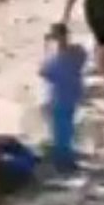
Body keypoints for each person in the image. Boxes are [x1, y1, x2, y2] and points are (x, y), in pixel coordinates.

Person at [40, 23, 88, 173]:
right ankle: (64, 160)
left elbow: (44, 72)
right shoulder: (74, 52)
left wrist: (47, 48)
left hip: (61, 96)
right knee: (65, 130)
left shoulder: (57, 57)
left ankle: (63, 160)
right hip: (67, 95)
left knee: (62, 131)